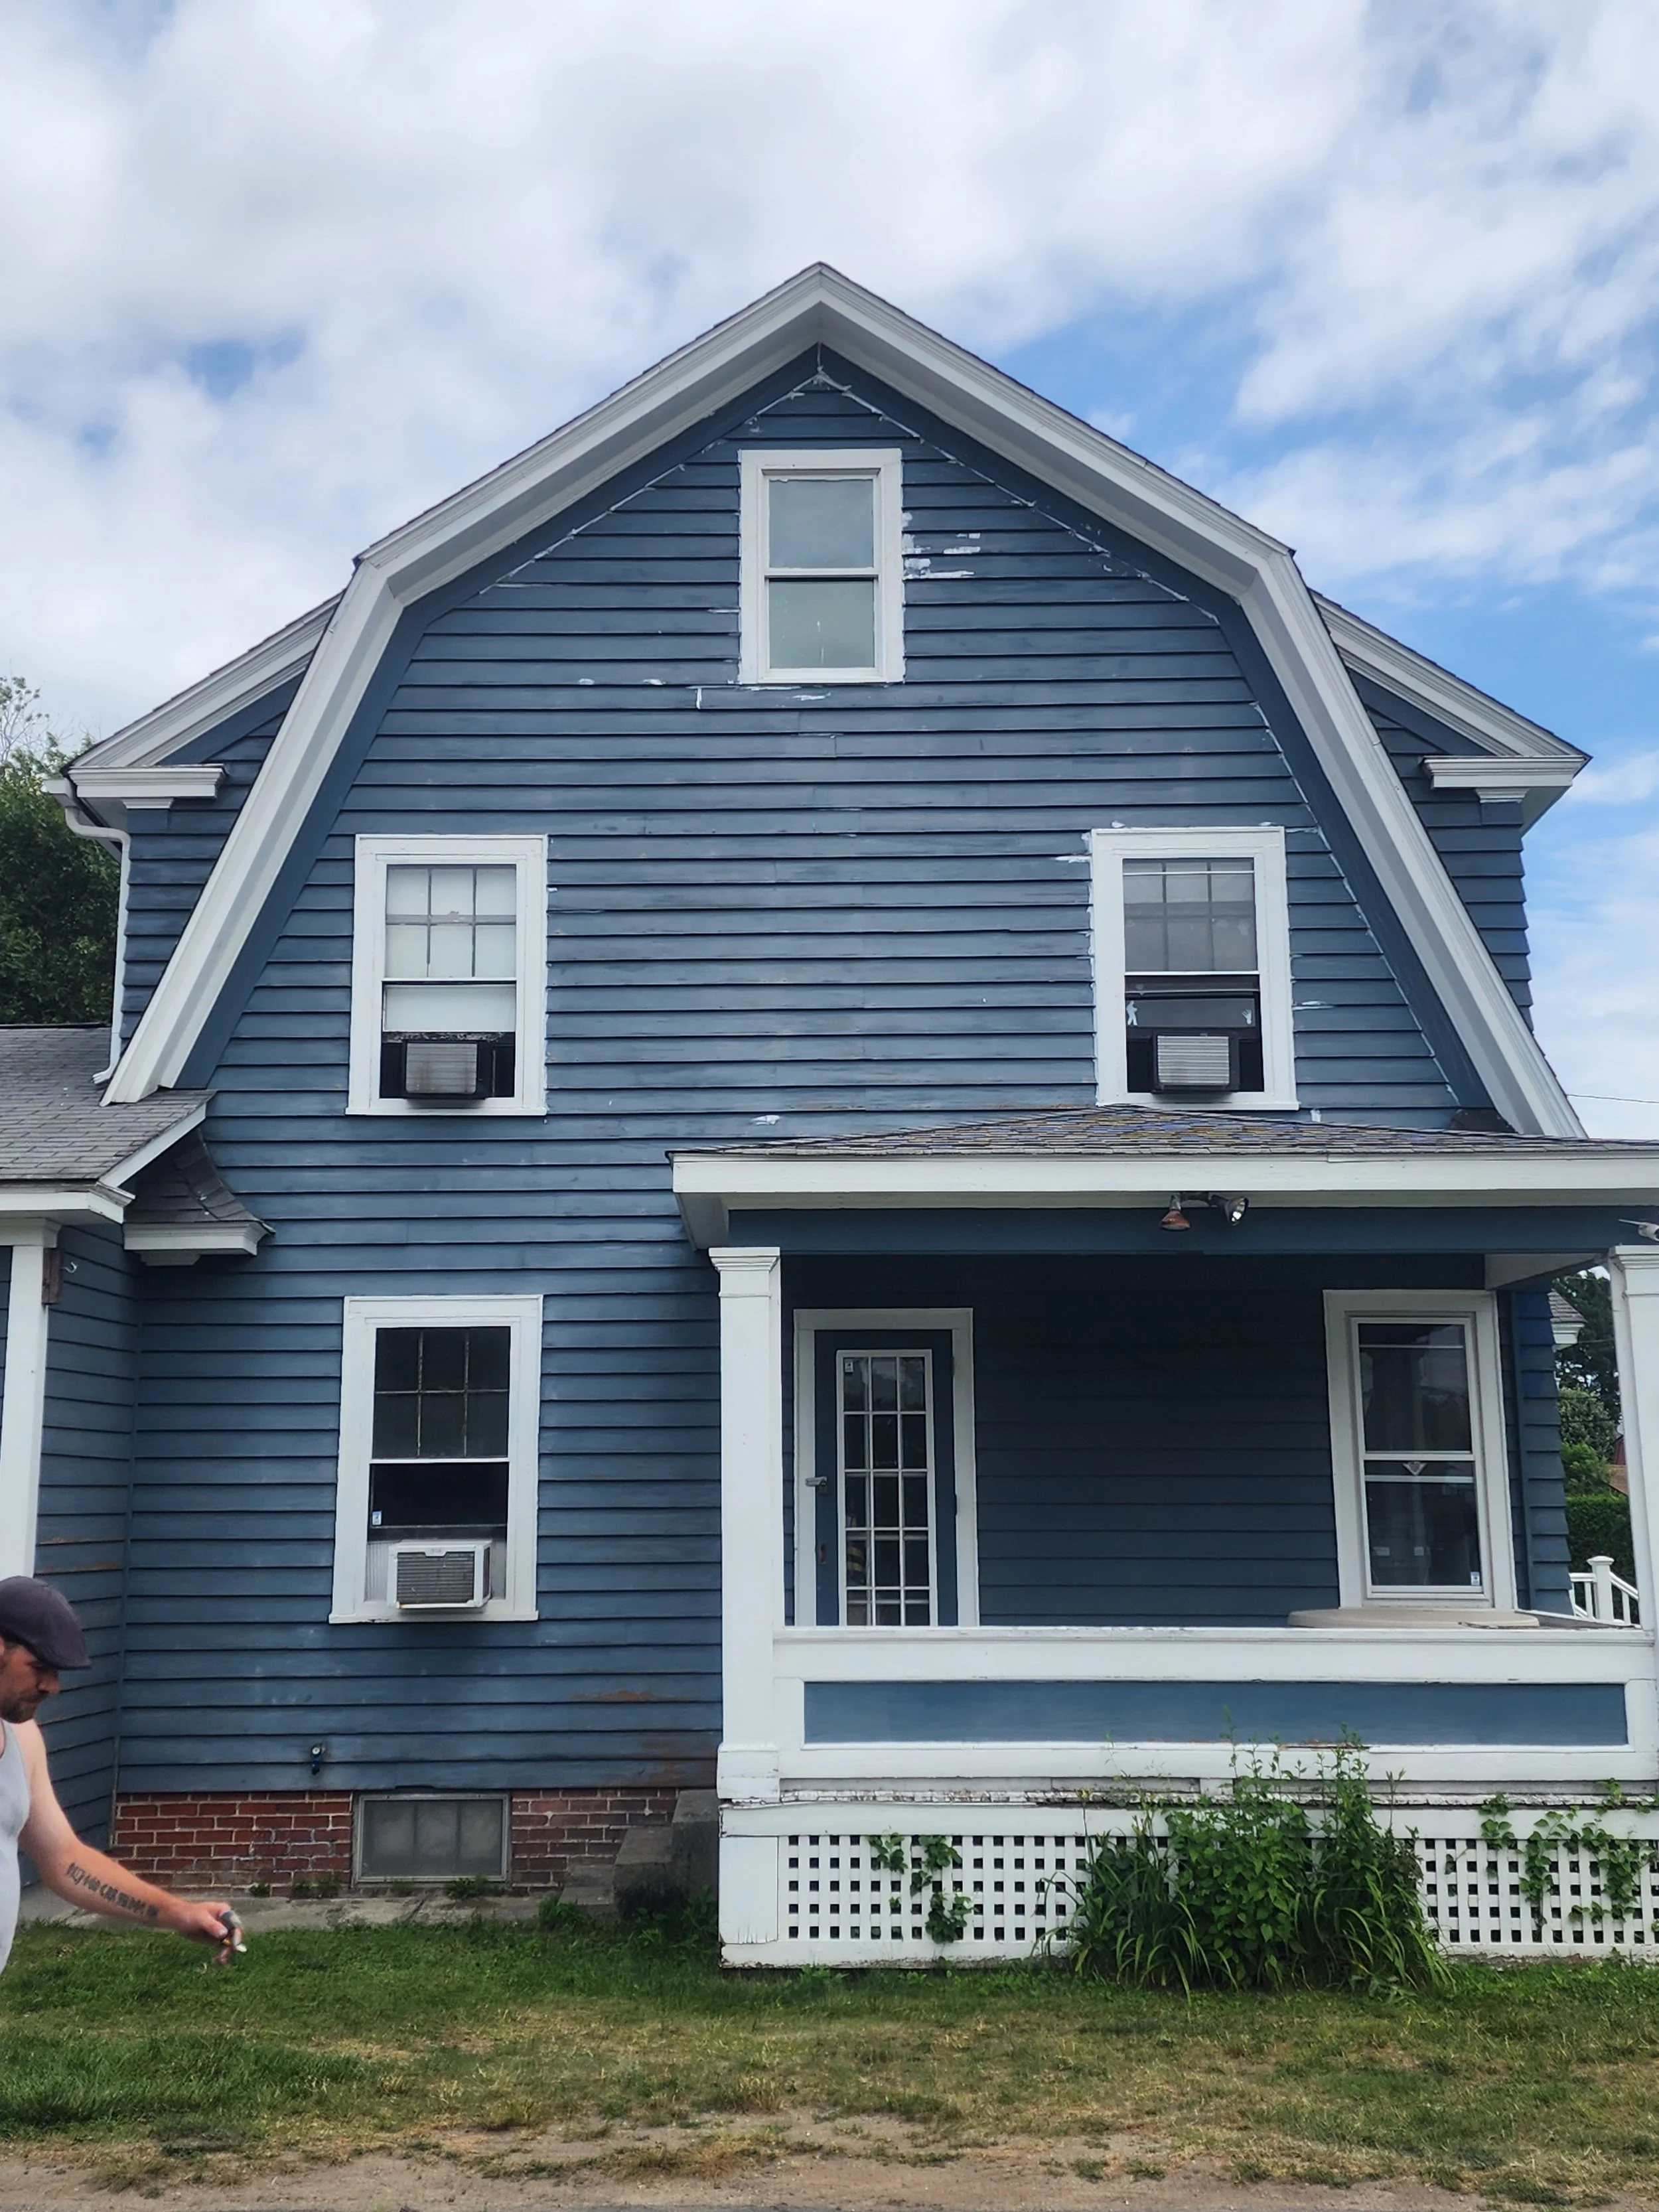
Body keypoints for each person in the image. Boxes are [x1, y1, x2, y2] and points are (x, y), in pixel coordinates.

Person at [0, 1576, 240, 1972]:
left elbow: (65, 1859)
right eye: (39, 1667)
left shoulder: (23, 1740)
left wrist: (177, 1912)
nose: (53, 1687)